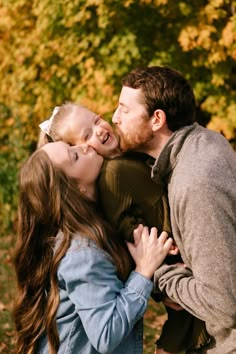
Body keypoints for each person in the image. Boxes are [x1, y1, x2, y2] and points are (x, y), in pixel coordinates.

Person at [38, 103, 210, 353]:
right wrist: (152, 262)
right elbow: (126, 230)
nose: (97, 132)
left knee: (183, 315)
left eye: (97, 120)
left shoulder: (126, 155)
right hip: (159, 246)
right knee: (181, 318)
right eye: (85, 136)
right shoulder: (112, 175)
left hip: (165, 245)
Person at [112, 65, 236, 354]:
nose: (115, 118)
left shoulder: (196, 183)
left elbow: (224, 305)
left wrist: (162, 275)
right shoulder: (205, 140)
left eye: (124, 110)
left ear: (157, 119)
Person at [13, 140, 174, 354]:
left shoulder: (98, 224)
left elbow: (111, 287)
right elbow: (106, 334)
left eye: (73, 145)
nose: (85, 146)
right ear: (75, 189)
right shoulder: (83, 252)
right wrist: (144, 271)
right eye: (75, 156)